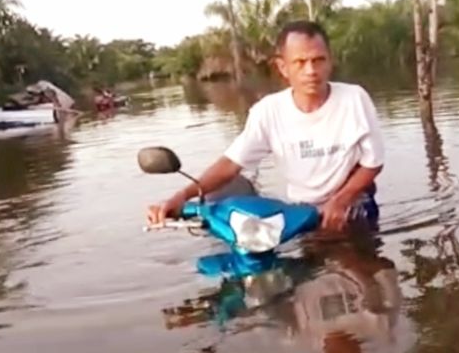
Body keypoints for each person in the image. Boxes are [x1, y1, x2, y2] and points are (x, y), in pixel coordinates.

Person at [146, 20, 385, 232]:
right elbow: (230, 164)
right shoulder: (268, 111)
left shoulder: (354, 99)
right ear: (283, 67)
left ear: (329, 61)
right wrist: (182, 197)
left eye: (318, 60)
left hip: (353, 205)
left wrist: (342, 199)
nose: (311, 71)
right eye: (300, 62)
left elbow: (373, 163)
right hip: (300, 213)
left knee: (359, 270)